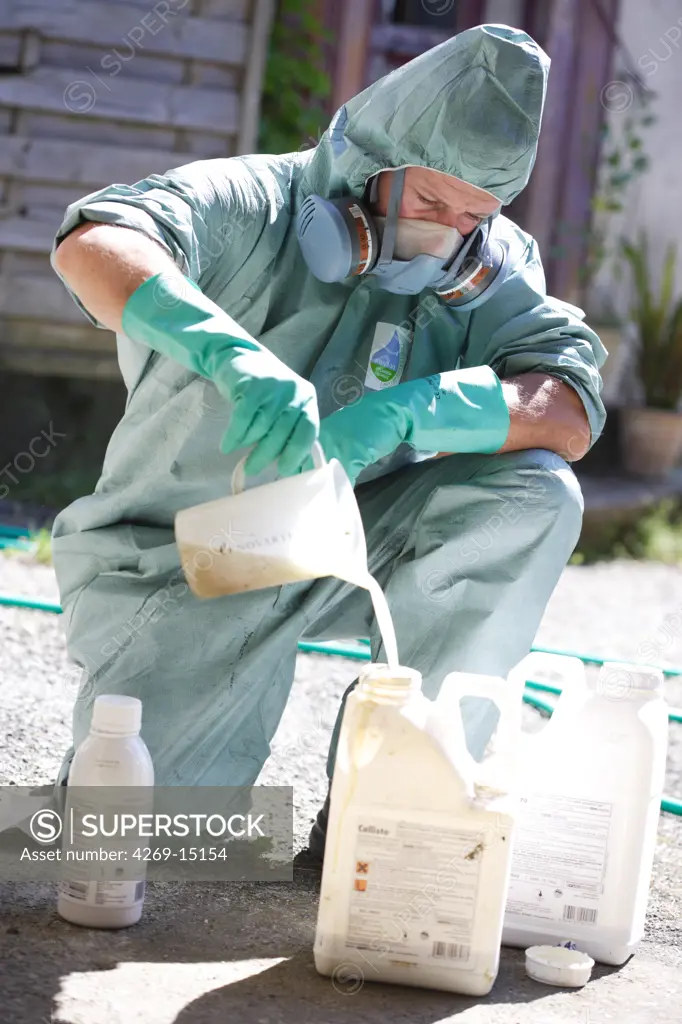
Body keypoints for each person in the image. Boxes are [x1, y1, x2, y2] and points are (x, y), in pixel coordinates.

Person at [50, 24, 605, 863]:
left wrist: (417, 410)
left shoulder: (488, 261)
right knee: (147, 847)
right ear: (372, 168)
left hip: (352, 535)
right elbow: (92, 243)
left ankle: (390, 815)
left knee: (533, 493)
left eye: (474, 215)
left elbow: (567, 407)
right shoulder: (252, 201)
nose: (449, 237)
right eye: (428, 205)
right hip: (195, 556)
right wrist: (228, 353)